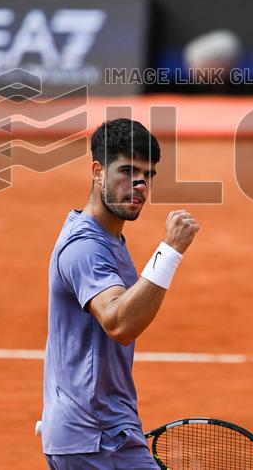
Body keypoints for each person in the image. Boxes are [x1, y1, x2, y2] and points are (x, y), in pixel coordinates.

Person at [40, 118, 200, 469]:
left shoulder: (109, 239)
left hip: (101, 432)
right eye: (128, 171)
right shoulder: (85, 247)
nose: (140, 183)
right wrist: (170, 251)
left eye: (148, 174)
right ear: (97, 171)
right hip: (96, 437)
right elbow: (119, 322)